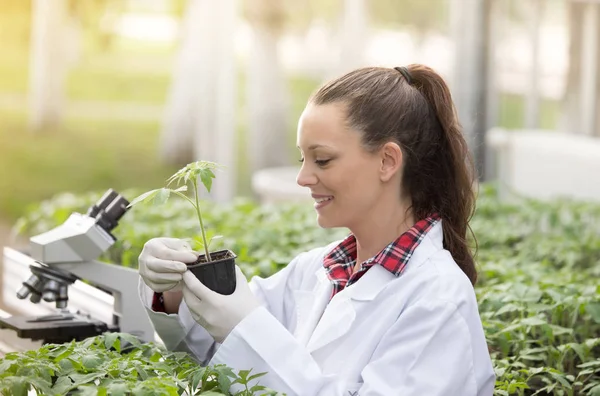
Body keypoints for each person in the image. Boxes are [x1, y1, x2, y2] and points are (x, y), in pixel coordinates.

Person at [137, 64, 496, 396]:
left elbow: (248, 340)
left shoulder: (437, 300)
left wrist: (245, 328)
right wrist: (171, 290)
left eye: (322, 159)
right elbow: (212, 354)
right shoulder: (318, 271)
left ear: (387, 161)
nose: (303, 178)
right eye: (302, 159)